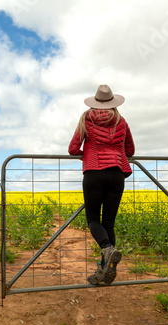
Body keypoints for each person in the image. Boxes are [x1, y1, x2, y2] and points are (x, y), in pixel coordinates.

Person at [68, 84, 135, 285]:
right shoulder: (121, 121)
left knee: (92, 219)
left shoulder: (85, 119)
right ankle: (105, 273)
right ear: (113, 102)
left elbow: (72, 149)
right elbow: (130, 150)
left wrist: (87, 154)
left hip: (94, 173)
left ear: (95, 101)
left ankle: (107, 248)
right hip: (117, 175)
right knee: (109, 223)